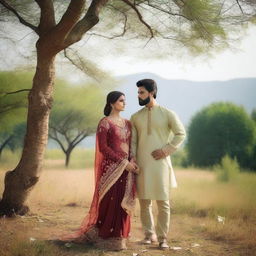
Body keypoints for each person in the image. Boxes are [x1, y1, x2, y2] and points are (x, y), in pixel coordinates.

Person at [61, 91, 138, 250]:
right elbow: (103, 148)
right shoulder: (105, 123)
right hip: (111, 169)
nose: (124, 103)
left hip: (126, 169)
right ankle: (106, 237)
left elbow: (131, 146)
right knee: (111, 202)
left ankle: (120, 236)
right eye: (121, 101)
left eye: (125, 100)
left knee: (122, 203)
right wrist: (123, 162)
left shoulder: (128, 123)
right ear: (111, 103)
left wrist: (132, 161)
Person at [130, 79, 186, 250]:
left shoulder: (168, 113)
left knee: (163, 202)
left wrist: (166, 150)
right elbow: (133, 142)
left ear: (152, 92)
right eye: (138, 92)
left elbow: (180, 134)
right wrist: (133, 159)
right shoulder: (135, 117)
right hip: (142, 165)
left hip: (161, 164)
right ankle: (149, 235)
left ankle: (163, 238)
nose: (138, 95)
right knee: (144, 202)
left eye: (142, 92)